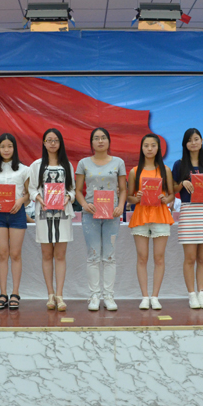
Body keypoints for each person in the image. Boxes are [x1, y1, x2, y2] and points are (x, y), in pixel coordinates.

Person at [75, 128, 127, 311]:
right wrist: (84, 204)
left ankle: (109, 296)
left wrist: (120, 206)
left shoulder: (118, 162)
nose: (100, 141)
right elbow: (78, 190)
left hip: (112, 214)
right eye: (96, 138)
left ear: (109, 141)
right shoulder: (83, 163)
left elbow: (123, 189)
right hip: (91, 214)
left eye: (103, 137)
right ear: (91, 143)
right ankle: (94, 296)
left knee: (109, 256)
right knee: (93, 256)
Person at [172, 128, 203, 310]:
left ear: (202, 141)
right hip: (189, 211)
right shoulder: (179, 164)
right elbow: (173, 189)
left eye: (196, 139)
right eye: (190, 140)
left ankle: (202, 294)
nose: (193, 143)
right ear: (185, 144)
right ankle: (191, 295)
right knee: (190, 257)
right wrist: (182, 183)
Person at [28, 128, 75, 312]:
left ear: (60, 143)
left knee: (60, 255)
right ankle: (50, 294)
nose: (53, 143)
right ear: (44, 143)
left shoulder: (66, 165)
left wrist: (67, 198)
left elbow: (72, 189)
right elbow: (32, 189)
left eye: (56, 140)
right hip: (43, 214)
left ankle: (60, 295)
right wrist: (39, 199)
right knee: (47, 254)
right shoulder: (36, 165)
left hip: (63, 214)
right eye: (49, 140)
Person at [127, 134, 174, 310]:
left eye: (153, 145)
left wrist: (165, 199)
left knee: (159, 257)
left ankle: (155, 296)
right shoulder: (134, 171)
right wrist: (136, 197)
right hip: (141, 215)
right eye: (146, 145)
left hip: (160, 215)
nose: (149, 148)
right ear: (141, 148)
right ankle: (144, 296)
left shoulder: (165, 170)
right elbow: (129, 198)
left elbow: (171, 194)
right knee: (142, 257)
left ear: (158, 148)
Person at [0, 133, 29, 310]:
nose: (6, 150)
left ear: (14, 148)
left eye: (9, 146)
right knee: (2, 254)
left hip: (17, 214)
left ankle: (15, 293)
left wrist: (21, 201)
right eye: (3, 146)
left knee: (15, 254)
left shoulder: (24, 170)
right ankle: (3, 293)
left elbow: (28, 195)